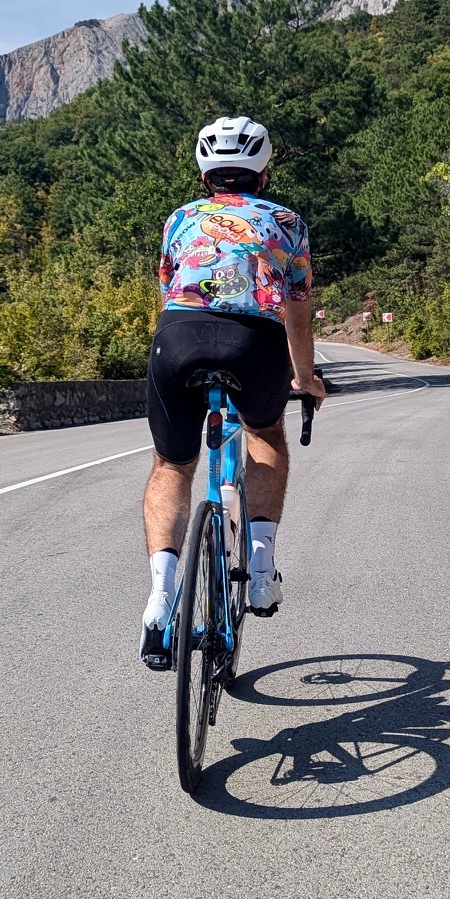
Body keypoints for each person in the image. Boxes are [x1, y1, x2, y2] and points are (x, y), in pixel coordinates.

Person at [138, 115, 326, 670]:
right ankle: (261, 572)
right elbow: (297, 313)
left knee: (173, 465)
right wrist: (305, 379)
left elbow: (171, 286)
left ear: (206, 175)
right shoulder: (287, 222)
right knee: (265, 434)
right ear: (263, 172)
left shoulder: (179, 219)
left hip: (178, 339)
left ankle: (159, 596)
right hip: (255, 344)